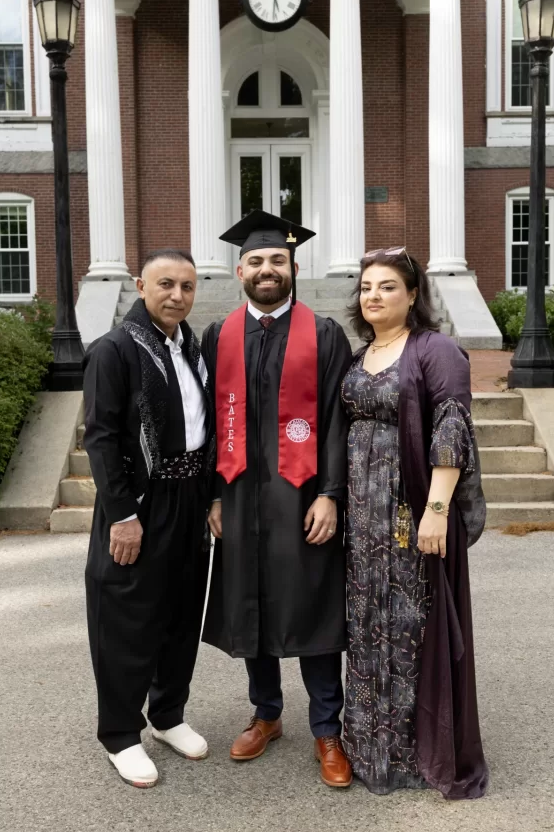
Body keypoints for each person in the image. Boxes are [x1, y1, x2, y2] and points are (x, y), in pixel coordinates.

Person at [201, 210, 353, 788]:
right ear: (241, 270)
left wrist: (331, 495)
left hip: (302, 497)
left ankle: (326, 728)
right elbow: (212, 425)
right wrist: (214, 495)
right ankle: (266, 714)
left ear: (294, 267)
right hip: (240, 496)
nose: (268, 270)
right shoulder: (221, 335)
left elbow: (338, 421)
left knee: (312, 606)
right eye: (257, 261)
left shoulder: (324, 333)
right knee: (252, 602)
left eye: (278, 261)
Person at [341, 247, 488, 800]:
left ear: (411, 294)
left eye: (386, 287)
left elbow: (453, 429)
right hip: (362, 522)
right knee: (366, 623)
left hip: (411, 516)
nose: (373, 295)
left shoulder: (435, 349)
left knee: (410, 627)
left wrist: (437, 509)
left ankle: (413, 753)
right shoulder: (361, 356)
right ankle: (368, 749)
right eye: (366, 287)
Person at [82, 248, 213, 788]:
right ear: (141, 286)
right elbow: (102, 437)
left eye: (186, 286)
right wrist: (122, 516)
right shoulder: (114, 349)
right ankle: (119, 733)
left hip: (190, 498)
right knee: (128, 618)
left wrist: (212, 498)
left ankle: (167, 714)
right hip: (140, 504)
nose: (176, 296)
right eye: (165, 284)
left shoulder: (193, 347)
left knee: (181, 612)